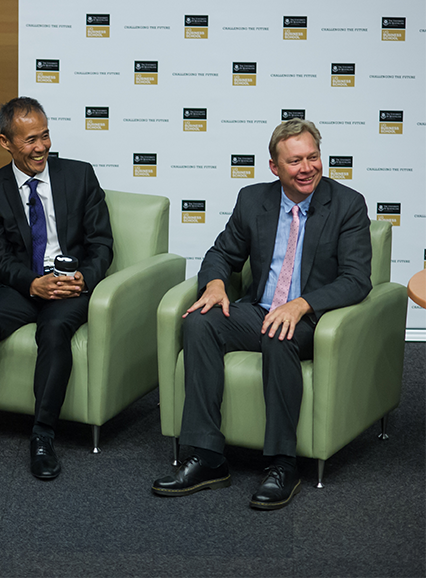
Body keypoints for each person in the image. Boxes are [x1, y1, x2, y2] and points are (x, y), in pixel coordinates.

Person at [152, 118, 371, 509]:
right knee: (201, 320)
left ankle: (282, 464)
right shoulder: (254, 200)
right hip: (258, 310)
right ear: (275, 167)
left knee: (280, 331)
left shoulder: (347, 205)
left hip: (309, 320)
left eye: (313, 157)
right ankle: (206, 456)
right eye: (295, 161)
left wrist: (302, 304)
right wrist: (216, 285)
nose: (307, 168)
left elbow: (356, 280)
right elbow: (221, 253)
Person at [0, 97, 113, 480]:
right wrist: (32, 283)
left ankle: (43, 434)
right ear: (6, 142)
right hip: (22, 284)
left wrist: (85, 278)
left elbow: (102, 244)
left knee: (54, 330)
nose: (42, 147)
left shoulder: (79, 176)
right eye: (31, 139)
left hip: (68, 285)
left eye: (45, 136)